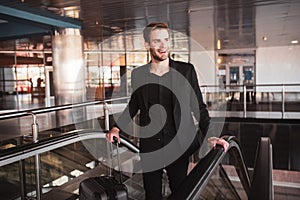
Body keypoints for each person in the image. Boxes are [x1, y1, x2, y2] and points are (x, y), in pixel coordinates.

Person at [106, 22, 229, 199]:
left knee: (180, 192)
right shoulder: (138, 74)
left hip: (179, 145)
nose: (163, 46)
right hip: (151, 146)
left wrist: (210, 134)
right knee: (152, 194)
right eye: (157, 41)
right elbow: (134, 105)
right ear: (147, 45)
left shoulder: (186, 70)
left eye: (166, 40)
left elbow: (198, 107)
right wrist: (117, 127)